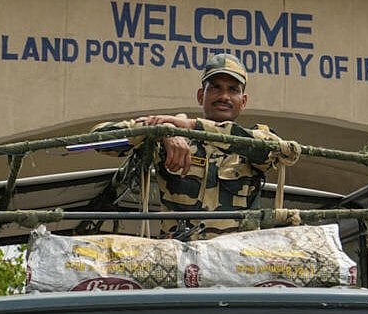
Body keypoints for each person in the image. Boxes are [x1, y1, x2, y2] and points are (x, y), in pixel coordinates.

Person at [92, 53, 301, 239]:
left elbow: (281, 150)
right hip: (181, 260)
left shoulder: (253, 138)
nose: (224, 96)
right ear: (201, 95)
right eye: (216, 87)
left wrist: (191, 125)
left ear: (243, 101)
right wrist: (164, 132)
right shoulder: (171, 131)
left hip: (236, 260)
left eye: (233, 90)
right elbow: (98, 138)